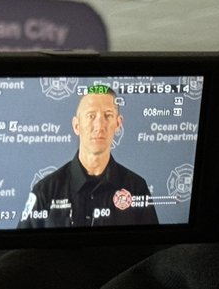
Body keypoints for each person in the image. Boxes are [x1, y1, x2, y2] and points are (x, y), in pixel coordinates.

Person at [18, 86, 158, 229]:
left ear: (118, 123)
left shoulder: (136, 189)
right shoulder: (45, 191)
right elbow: (24, 250)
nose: (99, 125)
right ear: (76, 125)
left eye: (108, 115)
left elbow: (153, 250)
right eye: (91, 116)